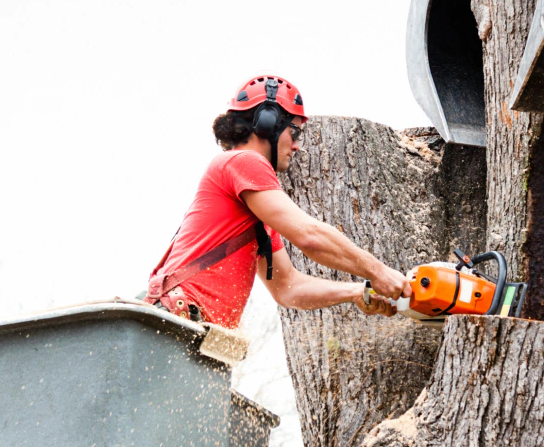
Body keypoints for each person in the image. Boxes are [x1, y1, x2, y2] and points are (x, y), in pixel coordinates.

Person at [145, 74, 411, 328]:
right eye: (294, 132)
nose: (296, 145)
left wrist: (357, 291)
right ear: (267, 124)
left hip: (198, 331)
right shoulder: (243, 161)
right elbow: (309, 236)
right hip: (178, 320)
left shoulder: (256, 214)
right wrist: (377, 271)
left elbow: (288, 288)